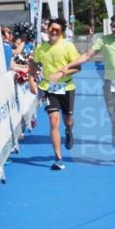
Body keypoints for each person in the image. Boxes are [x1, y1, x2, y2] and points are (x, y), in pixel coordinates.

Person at [59, 12, 115, 165]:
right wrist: (69, 65)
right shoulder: (103, 40)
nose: (114, 30)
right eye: (112, 27)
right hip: (110, 84)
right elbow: (87, 55)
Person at [29, 18, 80, 170]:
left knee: (68, 119)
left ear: (62, 32)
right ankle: (58, 158)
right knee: (53, 120)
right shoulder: (40, 48)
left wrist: (62, 72)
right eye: (52, 29)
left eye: (57, 30)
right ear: (48, 30)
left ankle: (69, 130)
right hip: (49, 88)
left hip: (67, 87)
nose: (54, 32)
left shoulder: (68, 46)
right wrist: (31, 80)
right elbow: (34, 64)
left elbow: (78, 68)